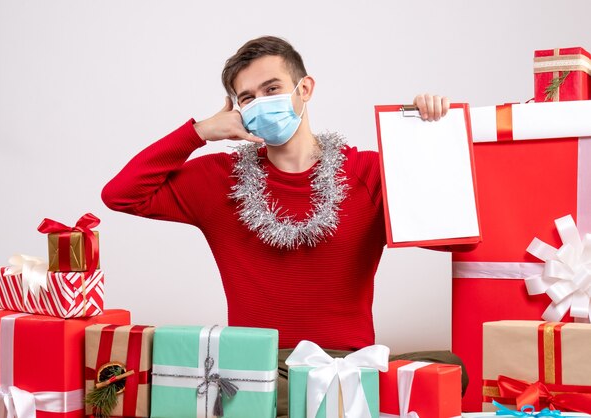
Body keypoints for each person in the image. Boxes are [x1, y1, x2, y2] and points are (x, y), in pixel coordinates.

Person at [102, 35, 467, 416]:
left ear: (304, 88)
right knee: (253, 393)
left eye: (272, 89)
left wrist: (430, 137)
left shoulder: (368, 173)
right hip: (259, 368)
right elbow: (122, 195)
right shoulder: (219, 179)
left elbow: (458, 241)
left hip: (348, 364)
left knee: (450, 369)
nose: (261, 103)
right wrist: (200, 131)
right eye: (248, 98)